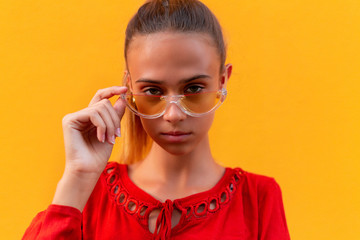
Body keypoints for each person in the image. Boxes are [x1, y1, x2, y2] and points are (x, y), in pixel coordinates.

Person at [22, 0, 291, 239]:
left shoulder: (258, 200)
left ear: (223, 80)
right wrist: (77, 178)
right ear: (129, 86)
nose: (173, 114)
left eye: (194, 88)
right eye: (153, 91)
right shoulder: (90, 195)